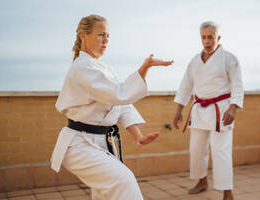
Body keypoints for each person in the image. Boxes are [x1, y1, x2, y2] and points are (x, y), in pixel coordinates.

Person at [50, 14, 173, 200]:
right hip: (79, 145)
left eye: (108, 36)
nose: (106, 40)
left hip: (100, 144)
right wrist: (144, 68)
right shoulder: (82, 68)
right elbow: (119, 94)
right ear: (83, 36)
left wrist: (137, 136)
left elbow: (120, 105)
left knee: (104, 195)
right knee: (125, 182)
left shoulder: (104, 69)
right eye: (101, 35)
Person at [173, 21, 243, 200]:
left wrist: (233, 109)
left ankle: (228, 192)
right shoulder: (195, 61)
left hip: (221, 110)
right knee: (196, 149)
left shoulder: (229, 58)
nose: (207, 41)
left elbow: (237, 85)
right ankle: (202, 181)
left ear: (218, 38)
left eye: (210, 37)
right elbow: (186, 86)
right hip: (199, 111)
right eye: (203, 37)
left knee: (221, 151)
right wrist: (179, 110)